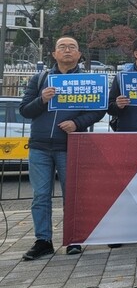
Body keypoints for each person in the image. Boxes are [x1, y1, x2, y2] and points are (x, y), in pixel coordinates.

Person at [19, 37, 106, 260]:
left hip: (71, 146)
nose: (67, 50)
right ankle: (43, 240)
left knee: (73, 195)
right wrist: (42, 99)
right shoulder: (40, 79)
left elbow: (99, 111)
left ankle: (74, 239)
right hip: (39, 147)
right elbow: (25, 110)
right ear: (54, 54)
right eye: (62, 47)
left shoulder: (88, 81)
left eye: (72, 47)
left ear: (79, 55)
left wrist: (77, 124)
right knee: (40, 196)